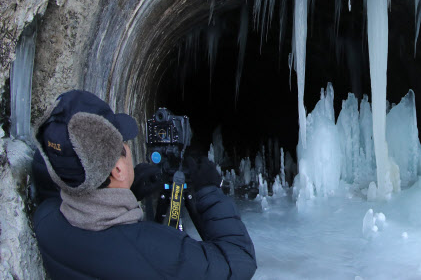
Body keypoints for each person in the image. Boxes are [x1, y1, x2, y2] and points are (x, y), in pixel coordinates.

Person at [31, 90, 256, 279]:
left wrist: (125, 189)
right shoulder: (154, 251)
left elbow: (50, 169)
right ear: (117, 170)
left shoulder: (46, 222)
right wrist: (209, 192)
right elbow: (238, 262)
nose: (128, 148)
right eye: (124, 143)